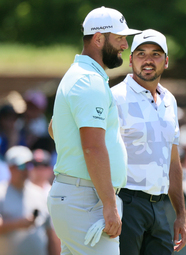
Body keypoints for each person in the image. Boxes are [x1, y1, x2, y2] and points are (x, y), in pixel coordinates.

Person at [47, 6, 140, 254]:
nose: (125, 45)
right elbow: (92, 146)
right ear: (98, 38)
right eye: (120, 38)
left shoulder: (81, 76)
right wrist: (109, 204)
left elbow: (55, 129)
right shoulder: (88, 81)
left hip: (79, 196)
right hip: (86, 200)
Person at [111, 29, 186, 254]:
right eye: (141, 53)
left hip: (159, 207)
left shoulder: (170, 101)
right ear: (130, 60)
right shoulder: (115, 97)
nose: (148, 60)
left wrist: (181, 215)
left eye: (155, 54)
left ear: (166, 61)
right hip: (125, 203)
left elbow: (173, 162)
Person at [0, 146, 60, 255]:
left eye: (29, 165)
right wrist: (18, 224)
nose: (26, 169)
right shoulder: (1, 193)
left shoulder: (40, 193)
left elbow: (50, 234)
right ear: (9, 168)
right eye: (21, 166)